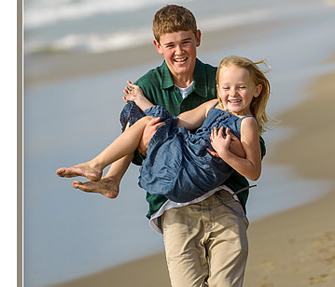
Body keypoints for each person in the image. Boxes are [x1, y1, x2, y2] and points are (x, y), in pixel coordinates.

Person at [62, 5, 268, 287]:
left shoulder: (222, 79)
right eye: (170, 45)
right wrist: (144, 140)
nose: (179, 52)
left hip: (225, 199)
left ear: (198, 40)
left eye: (185, 42)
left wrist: (228, 150)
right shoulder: (148, 85)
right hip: (172, 206)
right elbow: (143, 146)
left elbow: (253, 137)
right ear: (157, 46)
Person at [56, 56, 269, 205]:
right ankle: (106, 176)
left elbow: (254, 172)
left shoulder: (246, 123)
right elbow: (172, 122)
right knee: (145, 118)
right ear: (218, 88)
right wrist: (141, 100)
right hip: (183, 163)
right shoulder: (212, 105)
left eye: (241, 87)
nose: (233, 93)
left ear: (256, 90)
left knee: (146, 119)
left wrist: (226, 154)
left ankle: (99, 167)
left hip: (193, 174)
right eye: (226, 87)